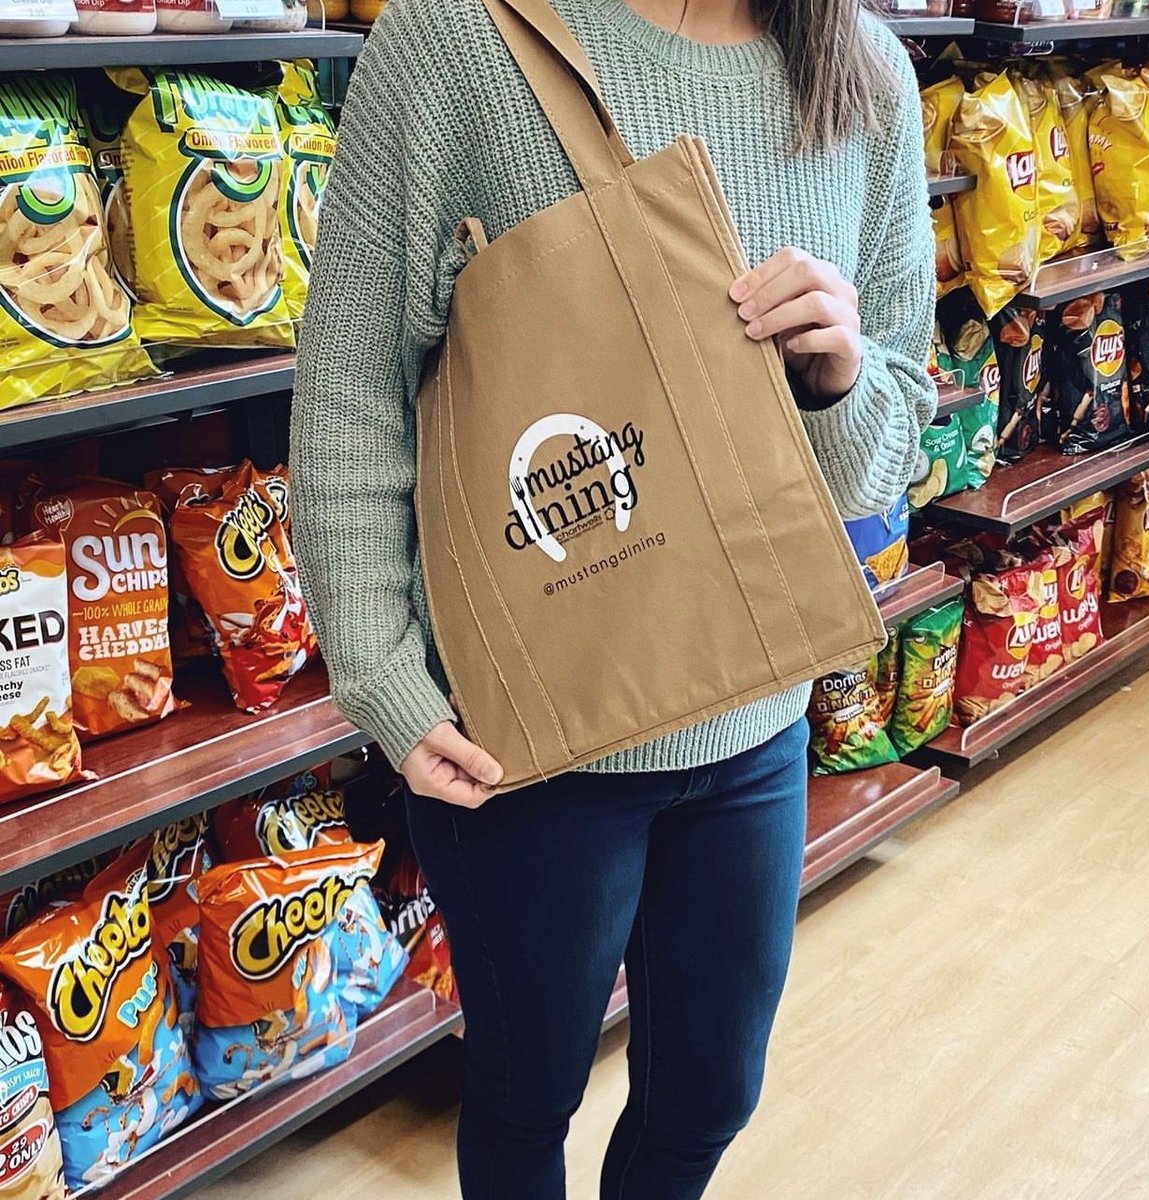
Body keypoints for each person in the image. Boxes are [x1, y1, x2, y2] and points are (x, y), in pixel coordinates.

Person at [291, 0, 935, 1195]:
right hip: (529, 745)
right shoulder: (455, 41)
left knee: (707, 1095)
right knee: (525, 1096)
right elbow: (348, 387)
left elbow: (894, 433)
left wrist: (840, 377)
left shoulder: (861, 74)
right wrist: (379, 668)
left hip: (753, 718)